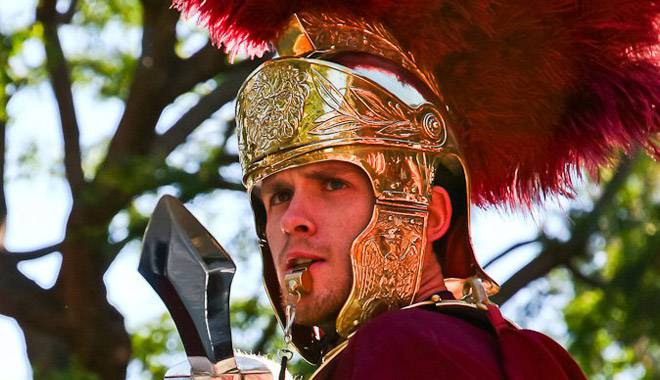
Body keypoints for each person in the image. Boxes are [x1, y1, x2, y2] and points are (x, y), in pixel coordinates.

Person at [172, 1, 659, 379]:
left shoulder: (404, 344)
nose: (289, 219)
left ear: (430, 215)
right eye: (277, 195)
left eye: (333, 183)